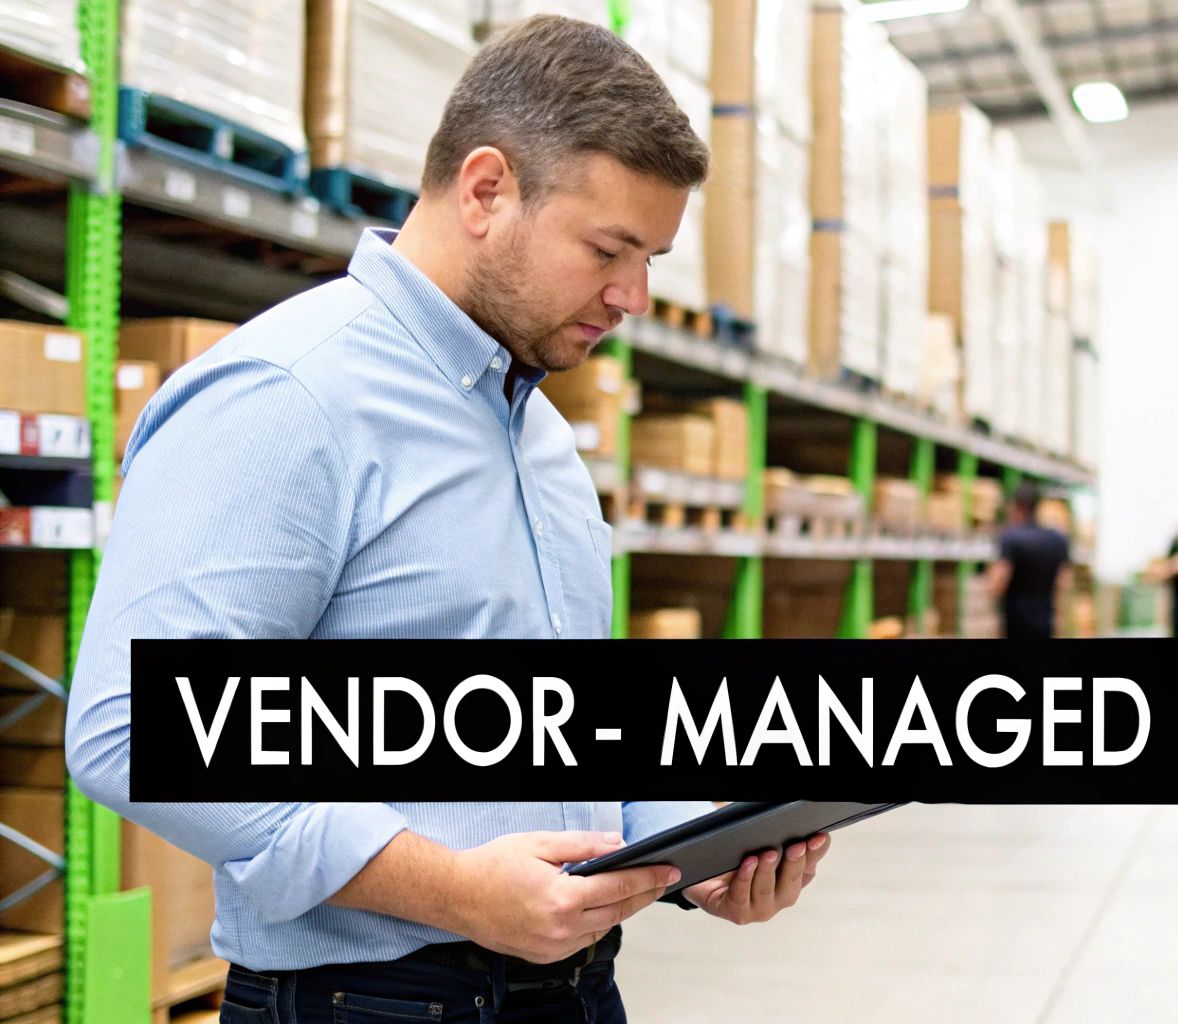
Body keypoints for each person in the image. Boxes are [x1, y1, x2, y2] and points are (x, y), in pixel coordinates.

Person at [65, 17, 829, 1020]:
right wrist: (455, 889)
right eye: (610, 248)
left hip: (574, 990)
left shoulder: (539, 438)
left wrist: (693, 844)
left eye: (651, 258)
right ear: (484, 189)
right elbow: (130, 728)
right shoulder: (288, 395)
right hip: (370, 1001)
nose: (633, 294)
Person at [986, 482, 1072, 638]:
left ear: (1017, 506)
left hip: (1016, 623)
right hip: (1045, 622)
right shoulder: (1058, 539)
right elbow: (1063, 582)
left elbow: (998, 582)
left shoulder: (1011, 538)